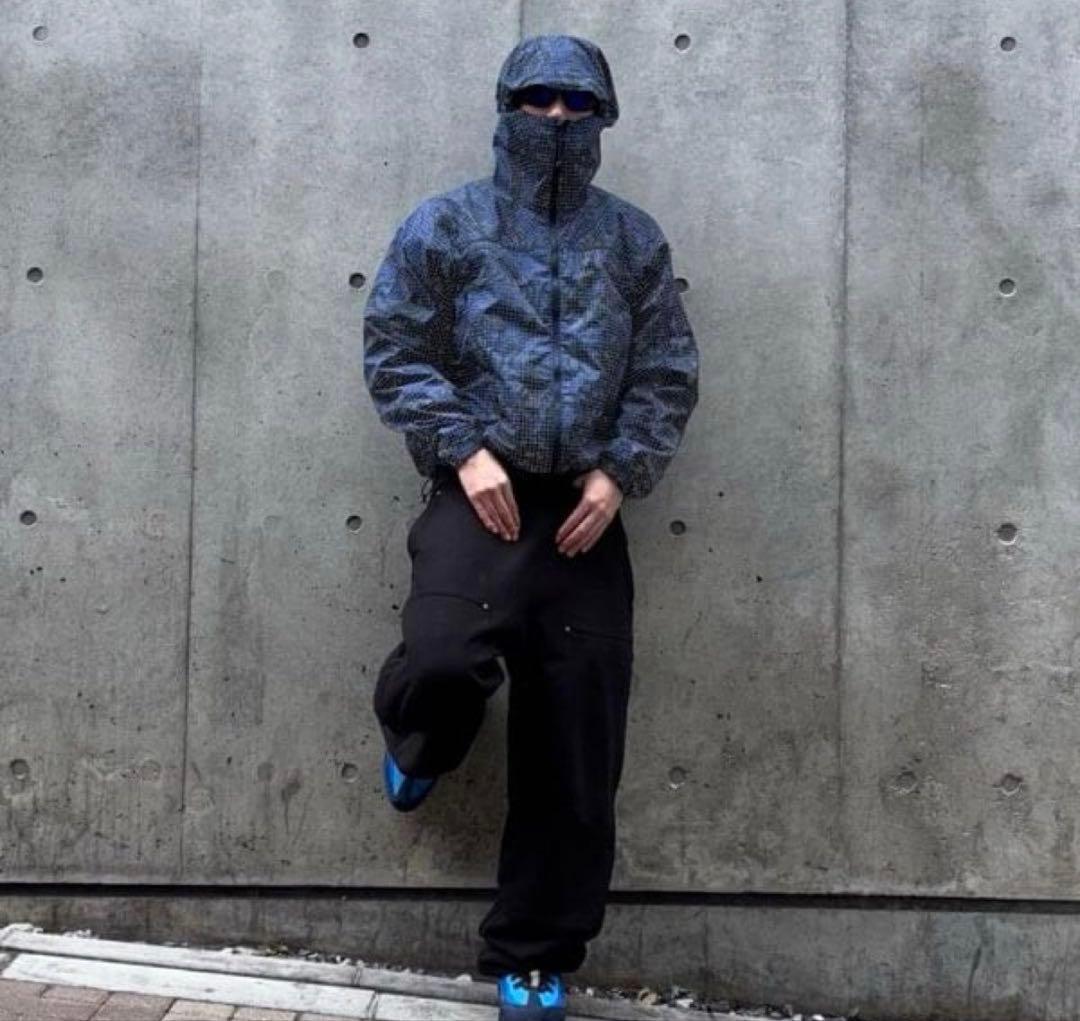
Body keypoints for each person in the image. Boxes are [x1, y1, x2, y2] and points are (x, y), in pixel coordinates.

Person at [362, 33, 699, 1021]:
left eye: (578, 101)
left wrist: (619, 473)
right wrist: (463, 449)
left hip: (584, 511)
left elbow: (667, 368)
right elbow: (394, 345)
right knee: (442, 657)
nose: (557, 115)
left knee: (576, 736)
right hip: (479, 490)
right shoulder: (447, 225)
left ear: (602, 117)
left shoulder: (631, 240)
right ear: (508, 106)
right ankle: (422, 741)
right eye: (540, 97)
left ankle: (536, 953)